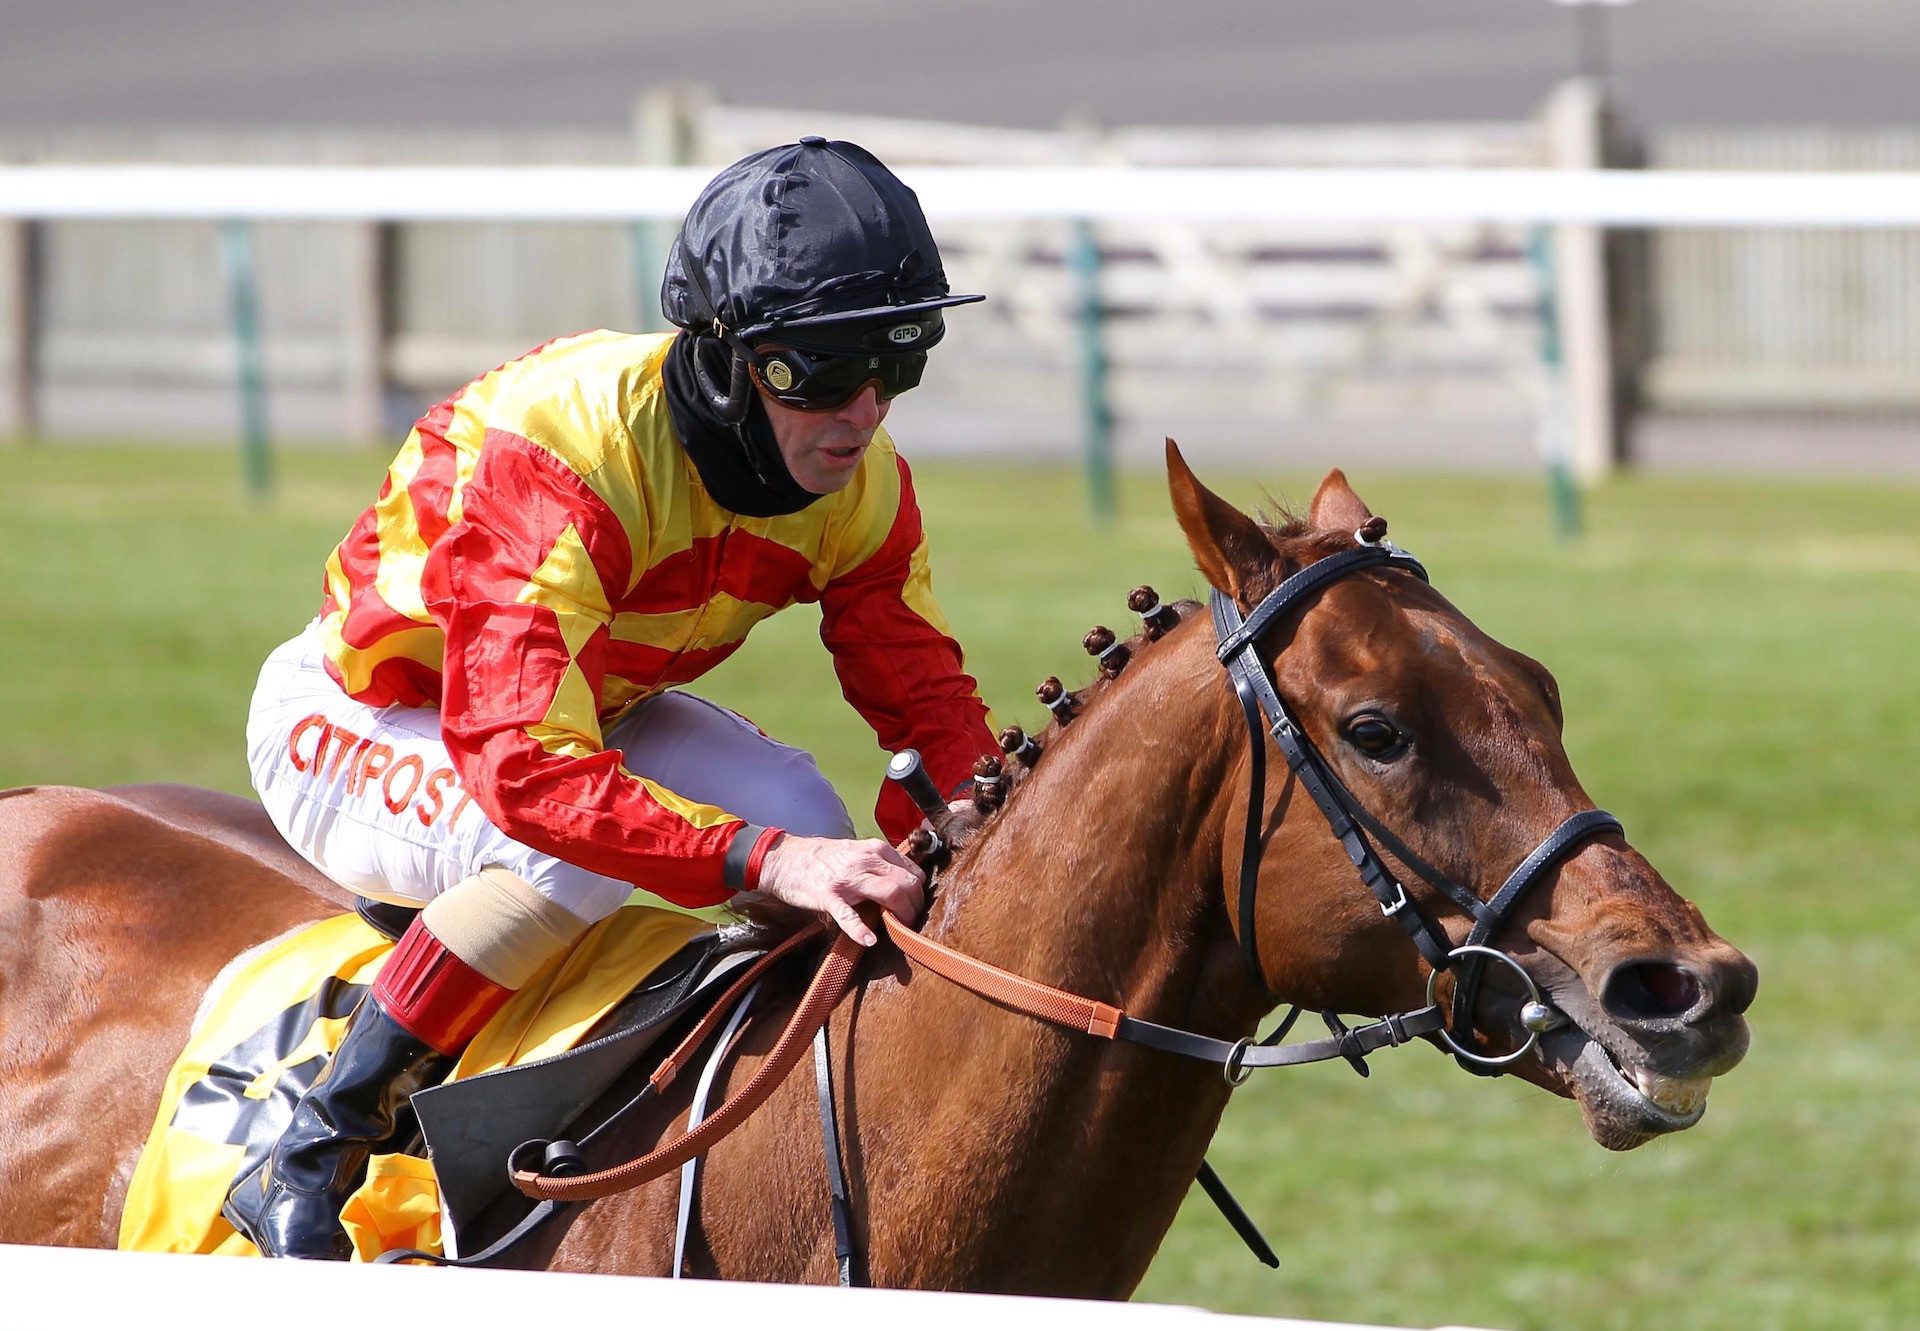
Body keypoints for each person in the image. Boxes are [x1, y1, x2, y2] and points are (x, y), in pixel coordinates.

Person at [223, 137, 998, 1260]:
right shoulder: (567, 446)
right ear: (725, 359)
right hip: (368, 718)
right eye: (818, 374)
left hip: (592, 707)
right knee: (591, 850)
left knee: (808, 810)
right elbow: (526, 766)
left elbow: (922, 697)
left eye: (896, 363)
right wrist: (758, 860)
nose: (862, 413)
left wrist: (975, 817)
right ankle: (314, 1145)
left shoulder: (861, 482)